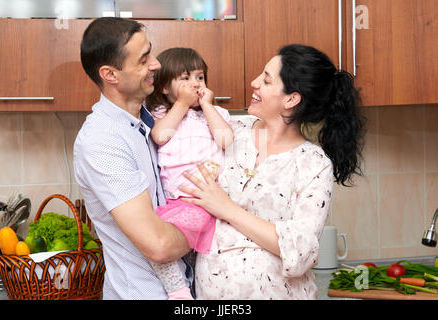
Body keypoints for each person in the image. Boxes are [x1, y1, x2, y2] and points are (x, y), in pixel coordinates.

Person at [179, 44, 366, 299]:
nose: (254, 82)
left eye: (266, 80)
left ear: (291, 99)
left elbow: (300, 252)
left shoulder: (313, 164)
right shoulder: (229, 130)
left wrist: (226, 209)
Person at [73, 17, 192, 299]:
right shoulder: (102, 141)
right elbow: (159, 244)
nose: (156, 64)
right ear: (110, 74)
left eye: (150, 52)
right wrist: (214, 218)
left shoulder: (147, 123)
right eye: (143, 60)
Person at [145, 47, 233, 299]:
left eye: (200, 77)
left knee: (187, 256)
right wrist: (182, 104)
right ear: (164, 88)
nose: (195, 84)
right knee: (157, 244)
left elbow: (226, 139)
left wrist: (207, 105)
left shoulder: (214, 115)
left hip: (206, 199)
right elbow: (160, 136)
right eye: (185, 78)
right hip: (177, 200)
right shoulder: (163, 115)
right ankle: (180, 290)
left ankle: (180, 292)